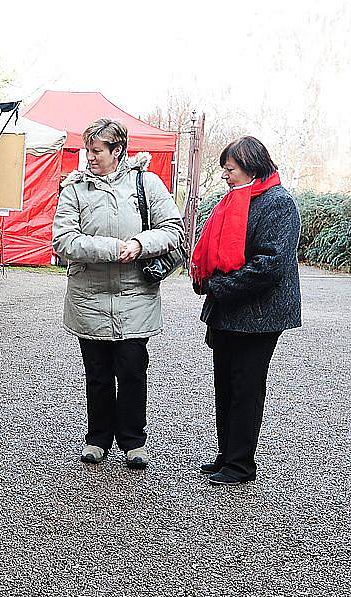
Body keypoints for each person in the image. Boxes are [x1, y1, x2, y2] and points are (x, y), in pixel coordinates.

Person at [52, 118, 184, 469]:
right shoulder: (75, 189)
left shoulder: (147, 183)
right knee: (96, 374)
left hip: (136, 296)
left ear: (118, 151)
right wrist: (113, 248)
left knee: (131, 370)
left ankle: (133, 441)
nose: (89, 158)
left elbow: (174, 231)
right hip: (89, 298)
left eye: (96, 151)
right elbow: (63, 241)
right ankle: (97, 438)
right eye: (87, 150)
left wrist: (141, 244)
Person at [192, 136, 301, 486]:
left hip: (259, 315)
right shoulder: (237, 199)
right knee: (225, 385)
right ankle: (227, 456)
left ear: (252, 166)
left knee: (246, 387)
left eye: (230, 169)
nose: (225, 175)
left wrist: (218, 286)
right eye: (225, 169)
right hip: (229, 311)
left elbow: (270, 265)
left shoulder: (278, 203)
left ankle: (240, 465)